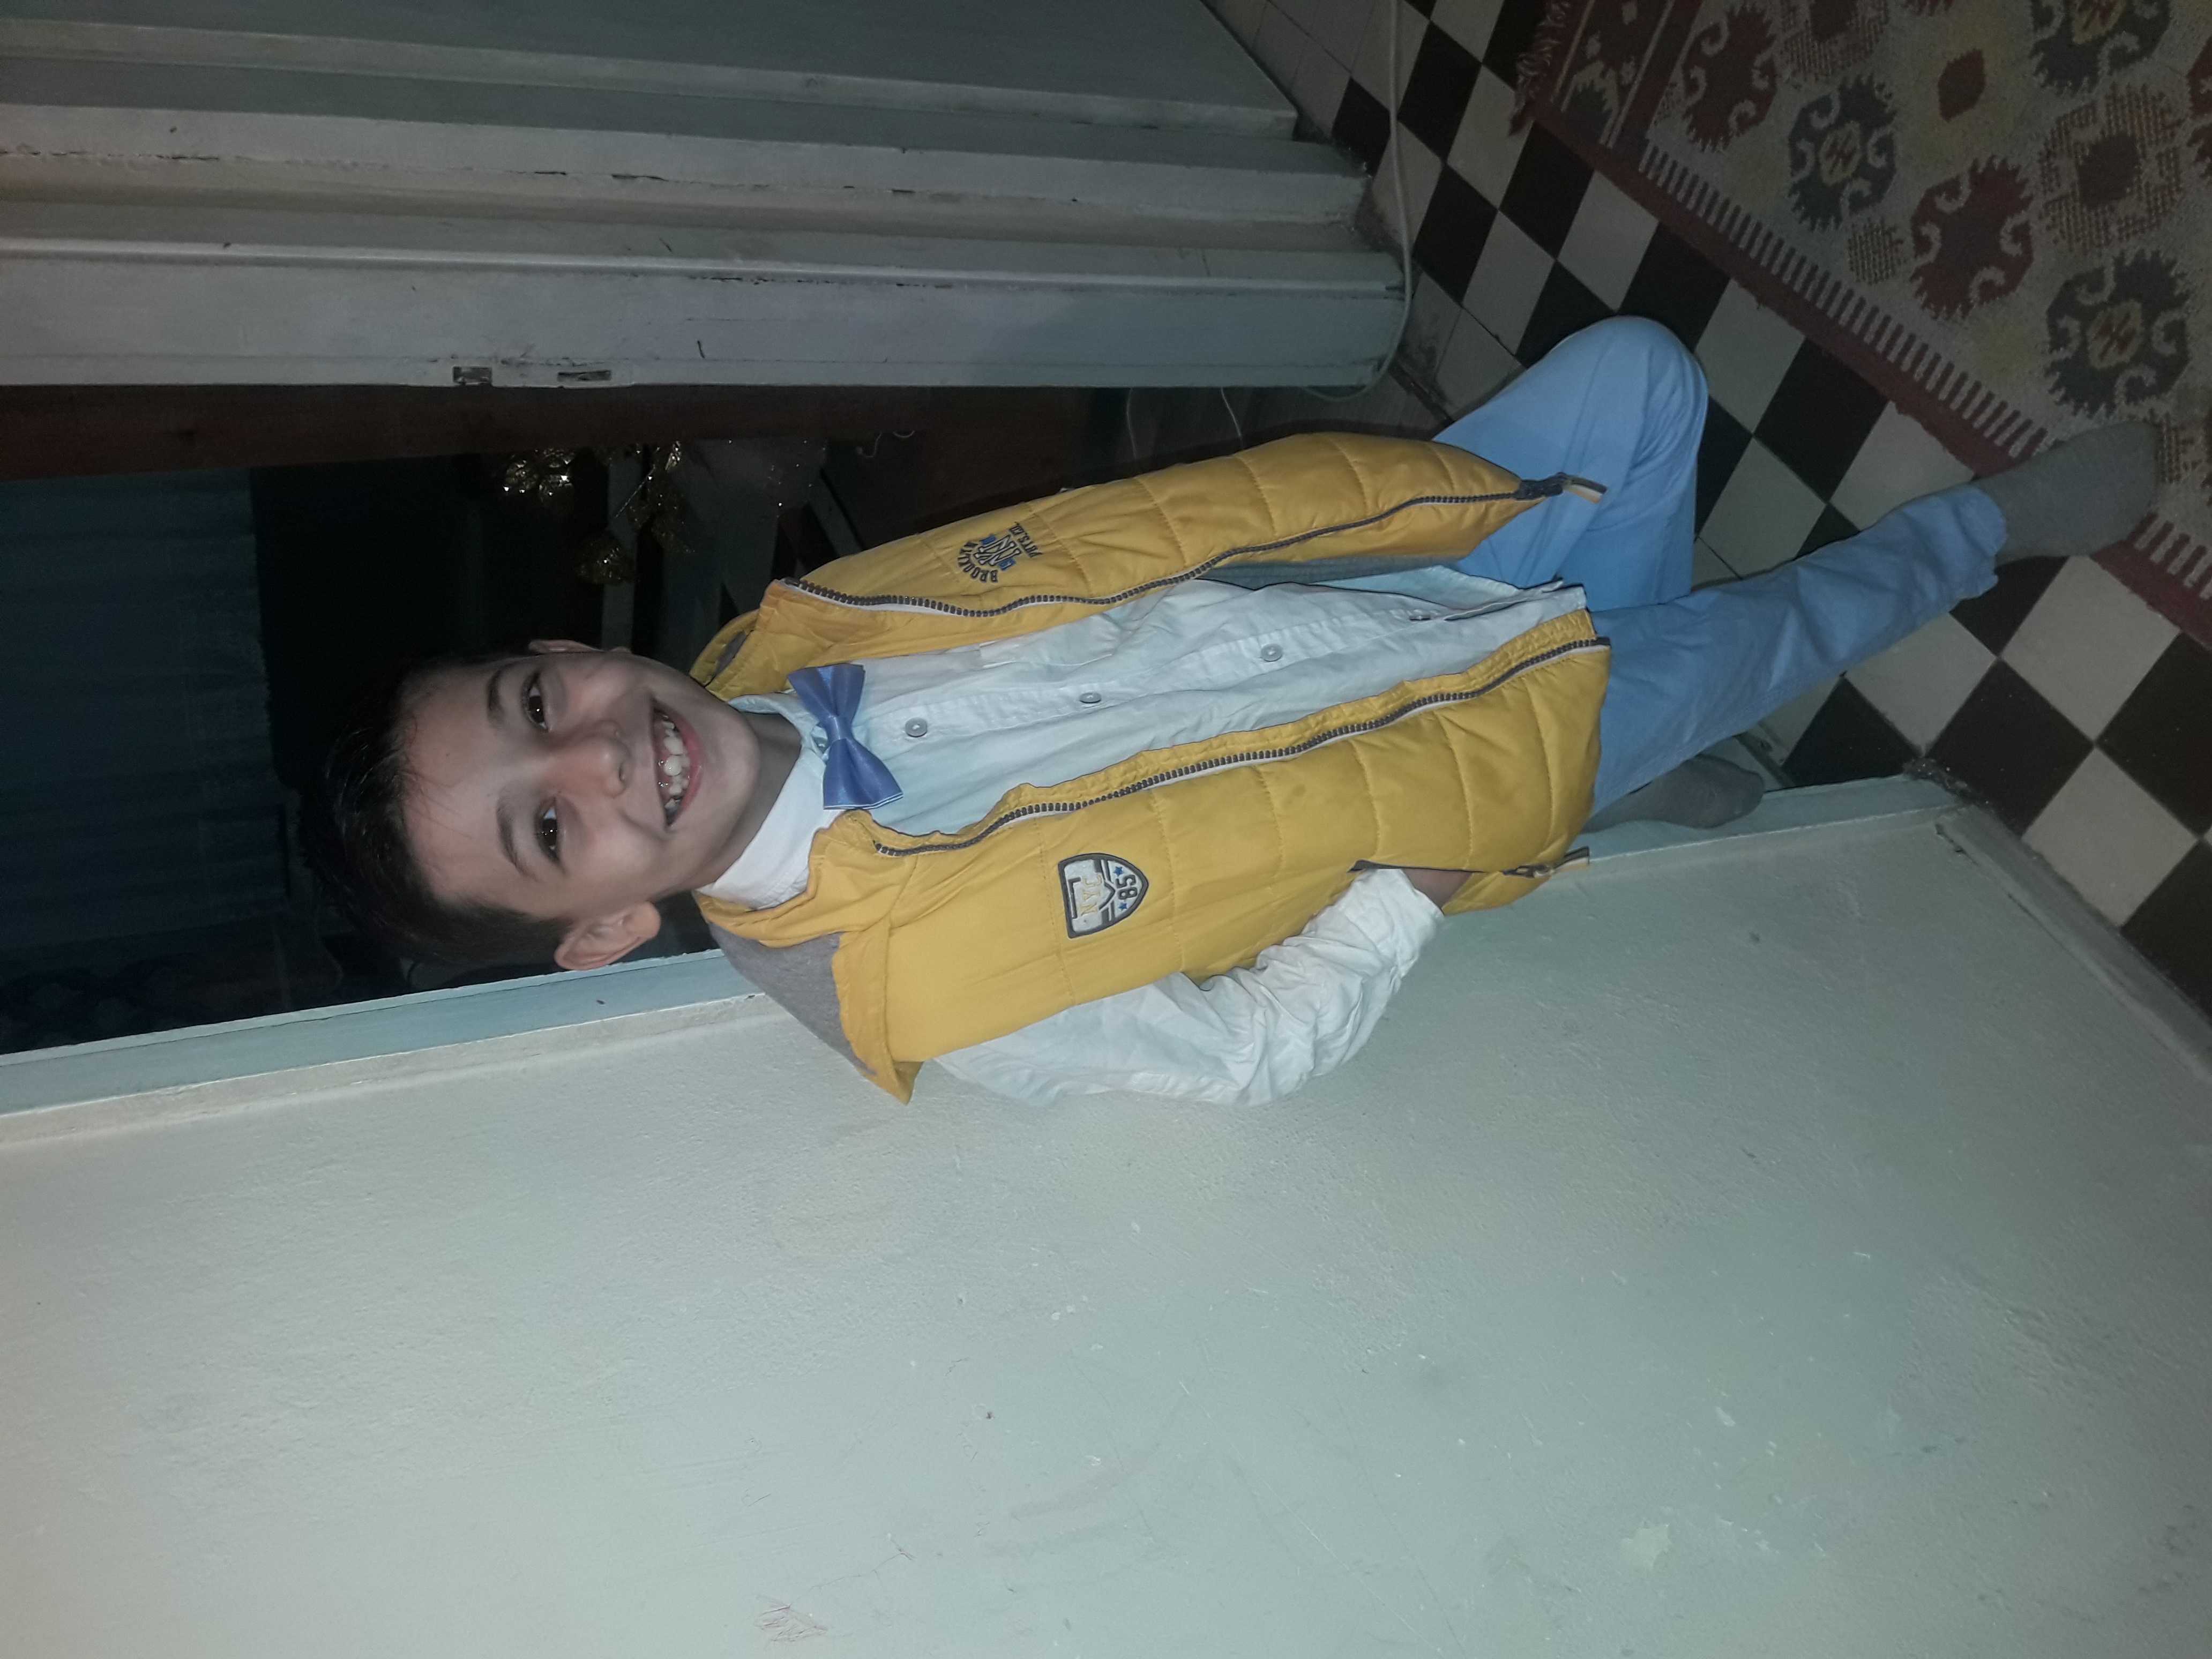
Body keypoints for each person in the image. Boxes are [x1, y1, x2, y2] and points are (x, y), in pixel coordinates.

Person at [310, 319, 2155, 1105]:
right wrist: (1414, 886)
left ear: (551, 646)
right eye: (550, 828)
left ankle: (1643, 751)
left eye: (536, 699)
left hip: (1387, 597)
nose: (597, 753)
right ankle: (1980, 536)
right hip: (1467, 766)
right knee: (1779, 621)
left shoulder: (799, 628)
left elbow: (1122, 580)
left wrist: (1368, 532)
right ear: (605, 927)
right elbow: (1241, 1058)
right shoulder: (918, 996)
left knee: (1641, 378)